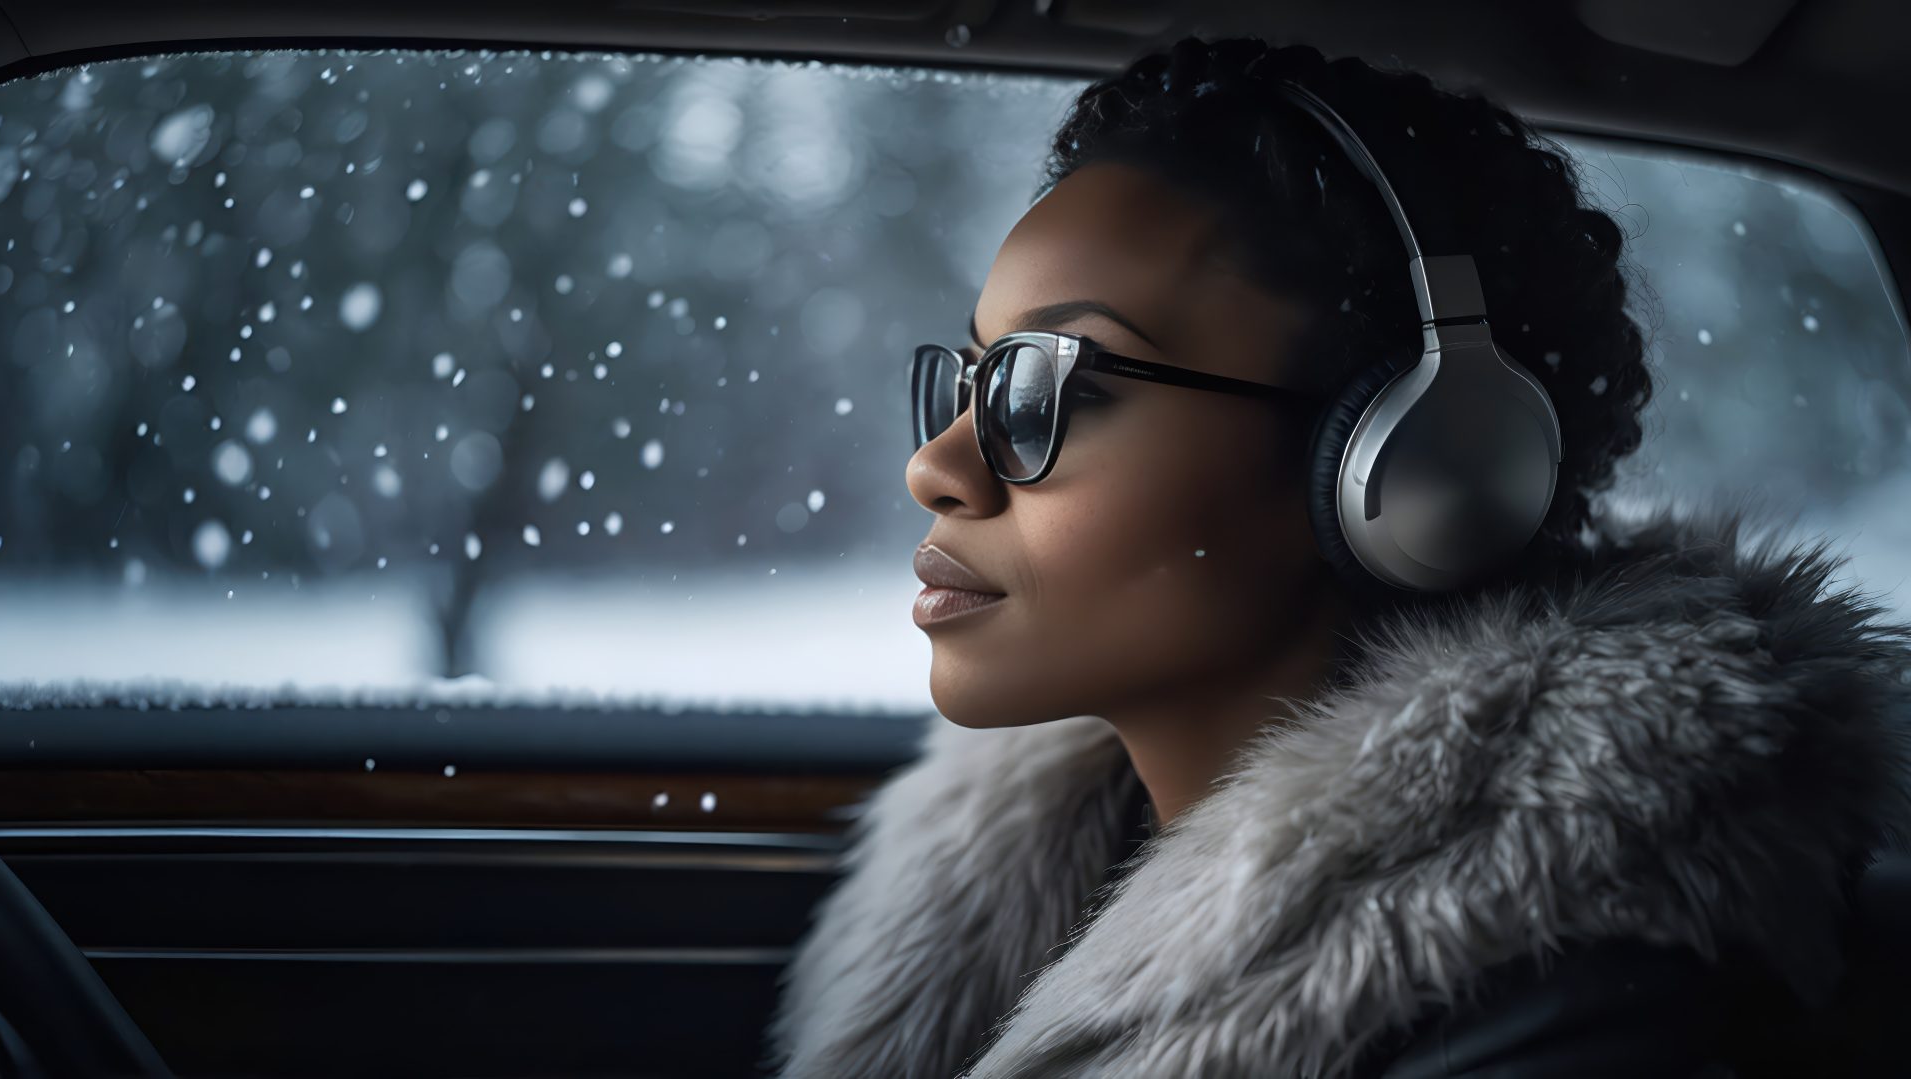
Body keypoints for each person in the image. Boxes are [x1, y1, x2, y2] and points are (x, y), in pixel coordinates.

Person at [761, 34, 1911, 1078]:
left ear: (1412, 466)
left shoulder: (1571, 1009)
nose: (939, 466)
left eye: (1048, 386)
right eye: (970, 380)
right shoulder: (1028, 871)